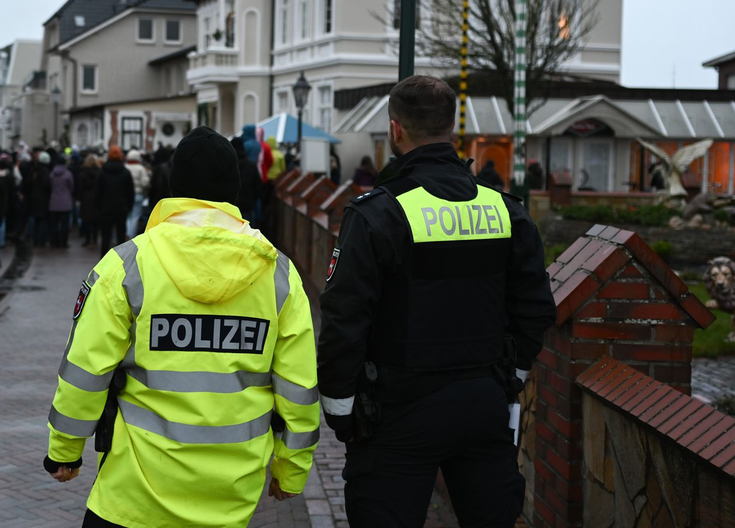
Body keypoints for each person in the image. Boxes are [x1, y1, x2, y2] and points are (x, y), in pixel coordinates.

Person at [43, 126, 319, 528]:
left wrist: (65, 451)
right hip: (230, 500)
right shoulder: (278, 275)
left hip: (133, 494)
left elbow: (85, 371)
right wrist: (291, 469)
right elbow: (299, 387)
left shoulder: (127, 266)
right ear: (235, 188)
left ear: (174, 187)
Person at [316, 75, 555, 528]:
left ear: (395, 130)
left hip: (397, 414)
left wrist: (341, 411)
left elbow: (345, 319)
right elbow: (535, 306)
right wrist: (510, 378)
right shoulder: (505, 210)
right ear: (451, 129)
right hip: (484, 404)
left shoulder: (377, 213)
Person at [95, 146, 133, 256]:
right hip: (121, 208)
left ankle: (104, 260)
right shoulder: (125, 172)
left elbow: (98, 191)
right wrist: (128, 207)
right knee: (121, 237)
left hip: (105, 208)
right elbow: (130, 192)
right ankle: (120, 260)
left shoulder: (102, 172)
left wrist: (98, 207)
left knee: (105, 237)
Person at [232, 135, 261, 225]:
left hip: (231, 208)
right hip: (248, 206)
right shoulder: (251, 165)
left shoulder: (228, 165)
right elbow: (258, 187)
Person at [48, 155, 74, 248]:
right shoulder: (68, 174)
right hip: (65, 202)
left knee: (54, 224)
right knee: (64, 224)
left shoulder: (52, 174)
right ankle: (63, 242)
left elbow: (50, 186)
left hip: (54, 201)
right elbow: (71, 187)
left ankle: (54, 242)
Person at [76, 154, 101, 247]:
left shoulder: (83, 174)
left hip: (86, 199)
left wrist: (79, 198)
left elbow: (80, 188)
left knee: (86, 220)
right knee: (95, 220)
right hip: (96, 198)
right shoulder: (99, 173)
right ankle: (95, 238)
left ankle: (87, 239)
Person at [124, 149, 150, 238]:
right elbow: (145, 183)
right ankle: (131, 236)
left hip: (126, 195)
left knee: (128, 216)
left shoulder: (125, 167)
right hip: (138, 194)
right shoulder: (141, 168)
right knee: (135, 216)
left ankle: (127, 233)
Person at [29, 152, 52, 247]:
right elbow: (46, 185)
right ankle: (41, 241)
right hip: (43, 199)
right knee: (43, 220)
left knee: (37, 221)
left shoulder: (35, 170)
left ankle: (35, 240)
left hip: (35, 197)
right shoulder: (45, 171)